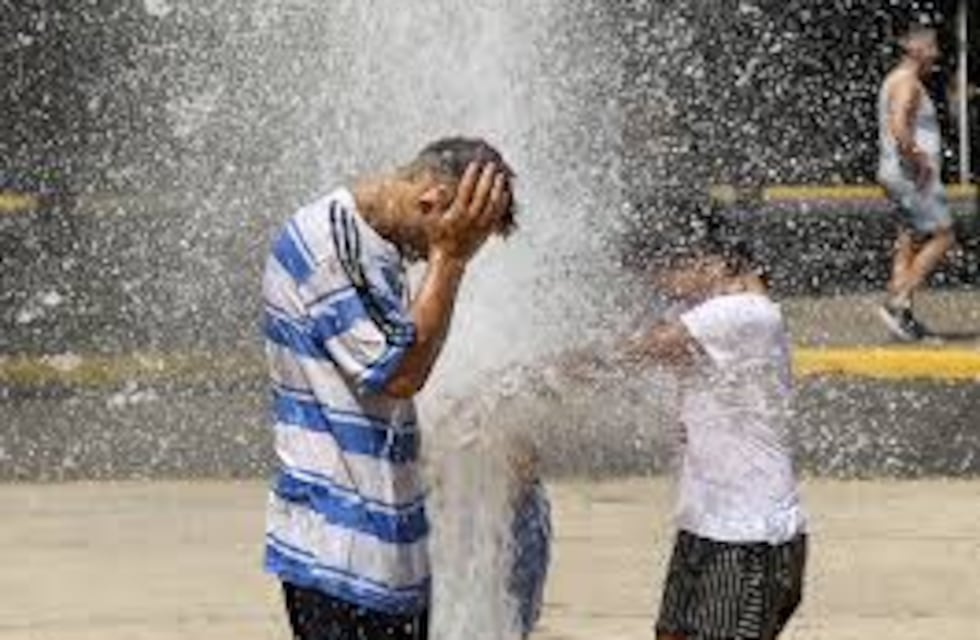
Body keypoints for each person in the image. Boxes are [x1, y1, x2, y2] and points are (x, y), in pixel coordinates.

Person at [261, 137, 516, 639]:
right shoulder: (329, 244)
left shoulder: (375, 248)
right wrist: (449, 258)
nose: (428, 254)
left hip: (385, 555)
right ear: (432, 201)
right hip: (338, 554)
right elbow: (399, 374)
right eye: (461, 230)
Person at [626, 236, 807, 640]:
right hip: (709, 523)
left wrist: (546, 367)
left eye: (672, 269)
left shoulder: (743, 311)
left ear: (719, 265)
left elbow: (640, 351)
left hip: (747, 534)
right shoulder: (723, 323)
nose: (663, 283)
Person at [876, 26, 956, 341]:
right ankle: (896, 300)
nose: (936, 54)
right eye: (931, 47)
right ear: (914, 49)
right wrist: (920, 160)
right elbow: (898, 126)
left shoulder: (896, 80)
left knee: (908, 240)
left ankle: (903, 317)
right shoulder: (907, 83)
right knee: (943, 235)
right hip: (911, 175)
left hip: (897, 172)